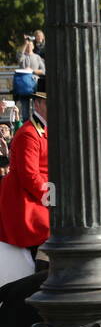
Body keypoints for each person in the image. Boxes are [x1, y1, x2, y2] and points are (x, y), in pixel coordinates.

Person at [0, 80, 49, 287]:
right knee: (54, 228)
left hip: (40, 192)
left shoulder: (44, 130)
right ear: (37, 104)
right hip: (26, 197)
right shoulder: (29, 133)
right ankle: (42, 281)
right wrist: (56, 197)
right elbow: (29, 176)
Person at [14, 38, 44, 122]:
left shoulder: (37, 57)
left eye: (30, 45)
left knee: (37, 108)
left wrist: (32, 71)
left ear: (33, 46)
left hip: (35, 85)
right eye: (27, 45)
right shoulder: (22, 57)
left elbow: (43, 70)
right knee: (25, 111)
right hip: (23, 86)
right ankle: (26, 125)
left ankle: (36, 125)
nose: (29, 46)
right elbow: (19, 57)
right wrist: (25, 44)